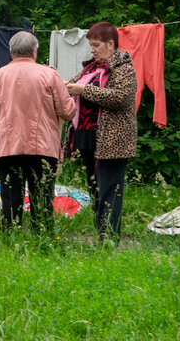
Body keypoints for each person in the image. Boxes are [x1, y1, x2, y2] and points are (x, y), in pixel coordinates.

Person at [0, 31, 75, 232]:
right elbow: (68, 111)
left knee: (10, 201)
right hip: (43, 148)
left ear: (11, 51)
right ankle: (44, 241)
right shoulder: (50, 75)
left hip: (7, 147)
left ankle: (10, 242)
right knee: (43, 200)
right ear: (34, 52)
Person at [65, 21, 137, 243]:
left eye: (96, 45)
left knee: (109, 190)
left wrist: (83, 90)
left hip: (112, 140)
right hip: (88, 138)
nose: (92, 50)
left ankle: (110, 237)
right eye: (91, 46)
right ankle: (101, 233)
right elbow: (72, 86)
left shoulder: (124, 68)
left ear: (111, 44)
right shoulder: (91, 69)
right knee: (95, 188)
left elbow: (120, 97)